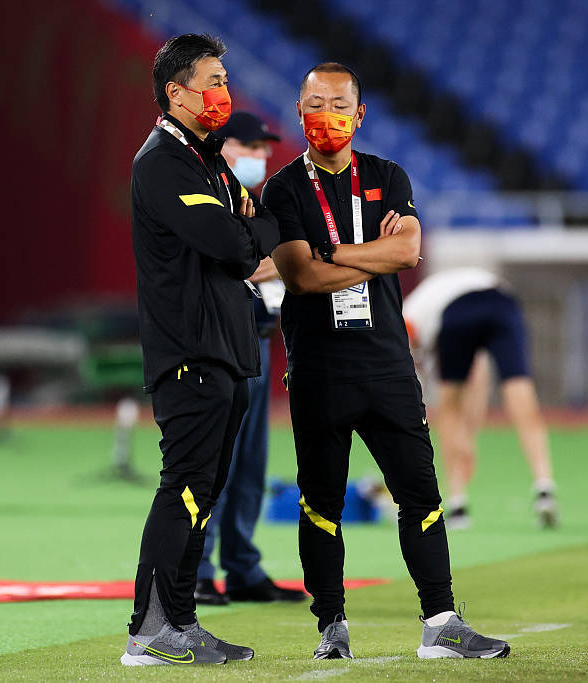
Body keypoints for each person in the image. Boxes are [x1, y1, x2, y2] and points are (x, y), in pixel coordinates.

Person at [262, 62, 510, 661]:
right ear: (298, 111)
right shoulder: (283, 189)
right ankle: (331, 628)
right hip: (319, 369)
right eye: (315, 104)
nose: (327, 116)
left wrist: (331, 252)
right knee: (321, 504)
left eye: (339, 104)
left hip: (388, 367)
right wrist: (371, 252)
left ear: (360, 113)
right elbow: (300, 276)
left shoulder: (386, 175)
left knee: (421, 494)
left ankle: (441, 623)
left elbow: (408, 250)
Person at [121, 34, 279, 667]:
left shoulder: (206, 158)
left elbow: (255, 224)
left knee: (204, 493)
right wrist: (251, 228)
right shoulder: (163, 161)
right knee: (185, 487)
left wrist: (249, 225)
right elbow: (235, 246)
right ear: (175, 92)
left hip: (226, 348)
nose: (223, 93)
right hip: (190, 351)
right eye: (213, 82)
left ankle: (180, 623)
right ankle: (149, 631)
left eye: (224, 81)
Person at [194, 112, 305, 606]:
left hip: (258, 337)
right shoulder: (210, 195)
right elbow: (240, 262)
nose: (260, 156)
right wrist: (280, 261)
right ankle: (198, 569)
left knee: (250, 463)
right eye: (251, 146)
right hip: (221, 339)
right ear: (224, 146)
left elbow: (267, 262)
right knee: (218, 458)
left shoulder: (251, 202)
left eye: (264, 148)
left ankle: (241, 566)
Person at [403, 268, 558, 530]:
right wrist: (469, 437)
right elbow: (478, 376)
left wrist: (463, 439)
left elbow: (417, 375)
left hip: (456, 311)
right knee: (519, 388)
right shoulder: (439, 296)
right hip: (502, 303)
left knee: (448, 406)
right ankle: (545, 488)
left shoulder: (408, 316)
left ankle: (457, 502)